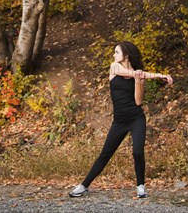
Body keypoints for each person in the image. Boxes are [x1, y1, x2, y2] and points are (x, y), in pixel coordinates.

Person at [69, 41, 173, 199]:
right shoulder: (114, 68)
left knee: (137, 152)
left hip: (136, 118)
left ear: (126, 54)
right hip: (119, 121)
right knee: (105, 154)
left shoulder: (138, 75)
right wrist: (157, 75)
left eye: (117, 52)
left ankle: (140, 187)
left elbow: (138, 101)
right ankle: (83, 186)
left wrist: (139, 80)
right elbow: (131, 73)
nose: (114, 55)